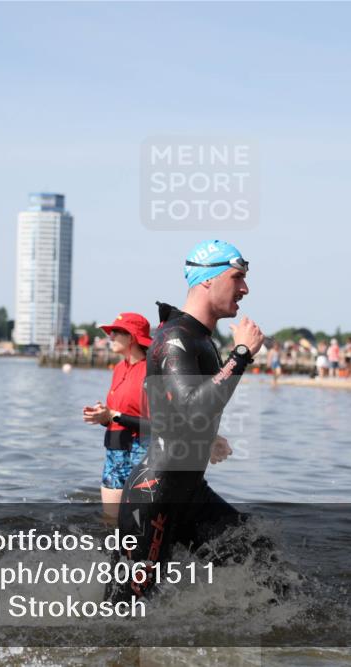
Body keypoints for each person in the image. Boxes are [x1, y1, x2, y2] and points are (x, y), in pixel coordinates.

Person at [111, 240, 262, 602]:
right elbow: (192, 406)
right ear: (208, 280)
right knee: (123, 615)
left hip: (189, 494)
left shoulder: (198, 339)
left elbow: (176, 412)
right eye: (237, 277)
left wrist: (206, 437)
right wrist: (240, 355)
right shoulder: (175, 337)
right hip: (154, 498)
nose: (245, 289)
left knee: (262, 559)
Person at [82, 312, 152, 519]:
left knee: (139, 524)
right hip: (114, 450)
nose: (110, 337)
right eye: (110, 333)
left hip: (141, 453)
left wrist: (114, 415)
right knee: (111, 523)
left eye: (116, 333)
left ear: (132, 337)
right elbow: (117, 416)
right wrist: (103, 417)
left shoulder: (153, 371)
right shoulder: (119, 368)